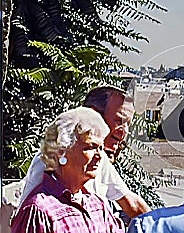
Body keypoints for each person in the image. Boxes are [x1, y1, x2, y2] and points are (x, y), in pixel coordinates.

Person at [9, 107, 125, 233]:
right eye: (90, 147)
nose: (99, 156)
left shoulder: (96, 205)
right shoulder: (38, 211)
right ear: (61, 152)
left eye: (100, 148)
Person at [18, 86, 151, 218]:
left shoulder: (98, 159)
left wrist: (160, 228)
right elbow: (27, 219)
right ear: (93, 115)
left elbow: (131, 203)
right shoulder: (49, 160)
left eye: (128, 124)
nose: (125, 131)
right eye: (119, 120)